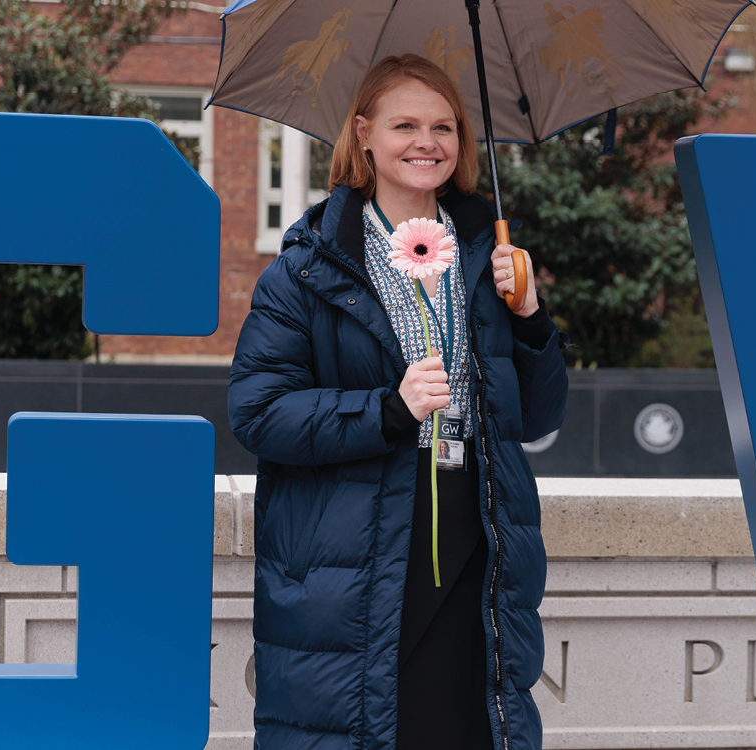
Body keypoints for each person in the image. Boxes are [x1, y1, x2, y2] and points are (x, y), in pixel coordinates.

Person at [228, 54, 568, 750]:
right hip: (361, 551)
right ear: (364, 134)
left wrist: (530, 315)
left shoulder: (490, 260)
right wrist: (389, 408)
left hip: (477, 537)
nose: (427, 142)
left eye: (443, 126)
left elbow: (538, 418)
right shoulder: (307, 269)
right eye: (405, 124)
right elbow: (258, 413)